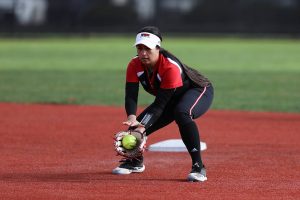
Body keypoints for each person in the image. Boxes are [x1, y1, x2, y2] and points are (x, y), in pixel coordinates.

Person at [112, 26, 214, 182]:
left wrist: (142, 127)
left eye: (148, 48)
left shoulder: (170, 67)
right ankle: (135, 161)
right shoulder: (134, 65)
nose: (143, 53)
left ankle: (198, 166)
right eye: (140, 48)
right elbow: (131, 94)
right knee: (135, 127)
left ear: (158, 48)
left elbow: (160, 105)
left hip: (197, 90)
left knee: (182, 113)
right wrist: (133, 118)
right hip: (170, 97)